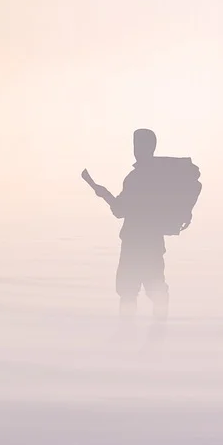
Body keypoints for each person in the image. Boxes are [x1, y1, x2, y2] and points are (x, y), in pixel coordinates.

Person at [82, 129, 192, 321]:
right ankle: (160, 330)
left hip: (133, 243)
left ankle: (127, 332)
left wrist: (102, 192)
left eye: (137, 145)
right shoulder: (161, 176)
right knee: (156, 287)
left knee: (127, 291)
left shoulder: (135, 178)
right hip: (154, 243)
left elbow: (119, 210)